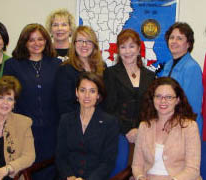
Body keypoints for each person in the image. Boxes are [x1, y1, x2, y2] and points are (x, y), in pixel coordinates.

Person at [3, 23, 60, 180]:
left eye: (40, 39)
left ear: (47, 41)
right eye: (31, 40)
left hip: (51, 131)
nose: (36, 44)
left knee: (48, 172)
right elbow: (7, 99)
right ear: (24, 42)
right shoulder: (12, 65)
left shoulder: (56, 64)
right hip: (24, 131)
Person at [132, 77, 201, 180]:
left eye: (169, 97)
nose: (162, 101)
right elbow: (137, 165)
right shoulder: (144, 126)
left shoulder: (190, 127)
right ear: (153, 99)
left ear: (177, 100)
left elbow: (192, 169)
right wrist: (140, 177)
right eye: (158, 96)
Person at [104, 29, 155, 165]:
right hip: (119, 134)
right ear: (118, 51)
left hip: (144, 133)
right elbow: (109, 107)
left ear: (139, 49)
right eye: (123, 47)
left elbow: (152, 107)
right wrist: (127, 130)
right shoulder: (110, 74)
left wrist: (140, 129)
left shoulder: (150, 76)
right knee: (121, 171)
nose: (127, 51)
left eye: (131, 46)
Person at [56, 72, 119, 180]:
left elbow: (108, 162)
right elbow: (60, 156)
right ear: (76, 92)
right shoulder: (65, 120)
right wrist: (69, 176)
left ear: (98, 95)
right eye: (82, 90)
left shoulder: (110, 123)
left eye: (92, 91)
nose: (87, 96)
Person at [160, 22, 203, 134]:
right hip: (167, 125)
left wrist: (175, 127)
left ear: (188, 44)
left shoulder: (192, 68)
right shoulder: (168, 65)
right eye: (171, 37)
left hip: (184, 129)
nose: (174, 41)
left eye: (179, 38)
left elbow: (191, 106)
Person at [56, 25, 105, 117]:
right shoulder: (65, 69)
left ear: (94, 45)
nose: (84, 45)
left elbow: (105, 99)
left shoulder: (102, 67)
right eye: (80, 41)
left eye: (88, 41)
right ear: (74, 44)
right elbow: (64, 105)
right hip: (75, 124)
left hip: (99, 122)